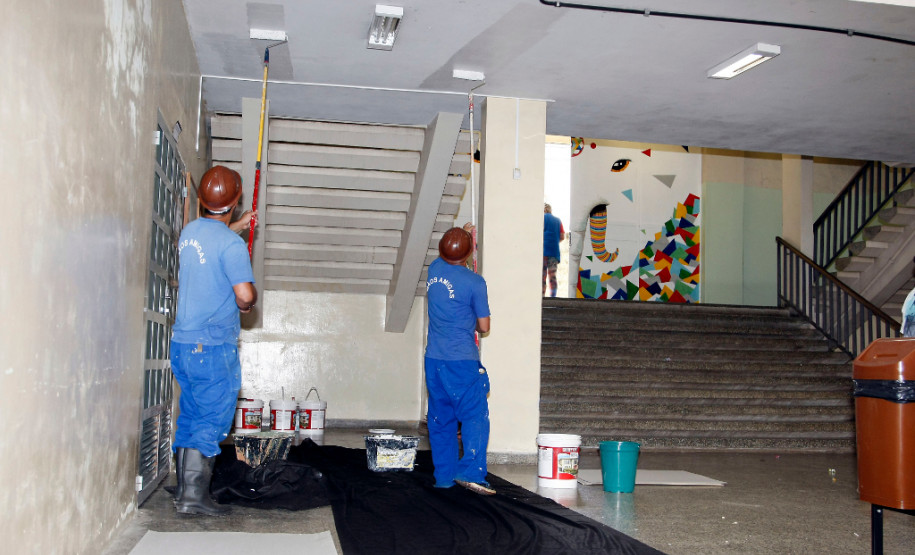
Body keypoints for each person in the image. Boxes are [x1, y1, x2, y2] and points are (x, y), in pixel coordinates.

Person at [170, 165, 257, 515]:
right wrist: (245, 304)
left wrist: (239, 226)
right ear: (235, 201)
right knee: (210, 420)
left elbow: (213, 240)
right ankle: (193, 498)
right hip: (212, 347)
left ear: (203, 200)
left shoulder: (190, 232)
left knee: (191, 416)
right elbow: (245, 296)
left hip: (183, 345)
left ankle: (182, 491)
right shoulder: (232, 247)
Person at [424, 223, 494, 495]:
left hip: (434, 360)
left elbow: (450, 257)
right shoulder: (475, 282)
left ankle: (444, 477)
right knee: (475, 415)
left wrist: (462, 235)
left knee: (441, 419)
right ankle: (471, 473)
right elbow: (484, 327)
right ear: (468, 254)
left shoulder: (434, 270)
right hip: (461, 361)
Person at [543, 203, 565, 297]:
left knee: (542, 276)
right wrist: (554, 241)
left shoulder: (541, 219)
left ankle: (542, 297)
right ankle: (553, 297)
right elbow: (562, 236)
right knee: (552, 276)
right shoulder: (558, 221)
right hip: (554, 252)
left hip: (543, 252)